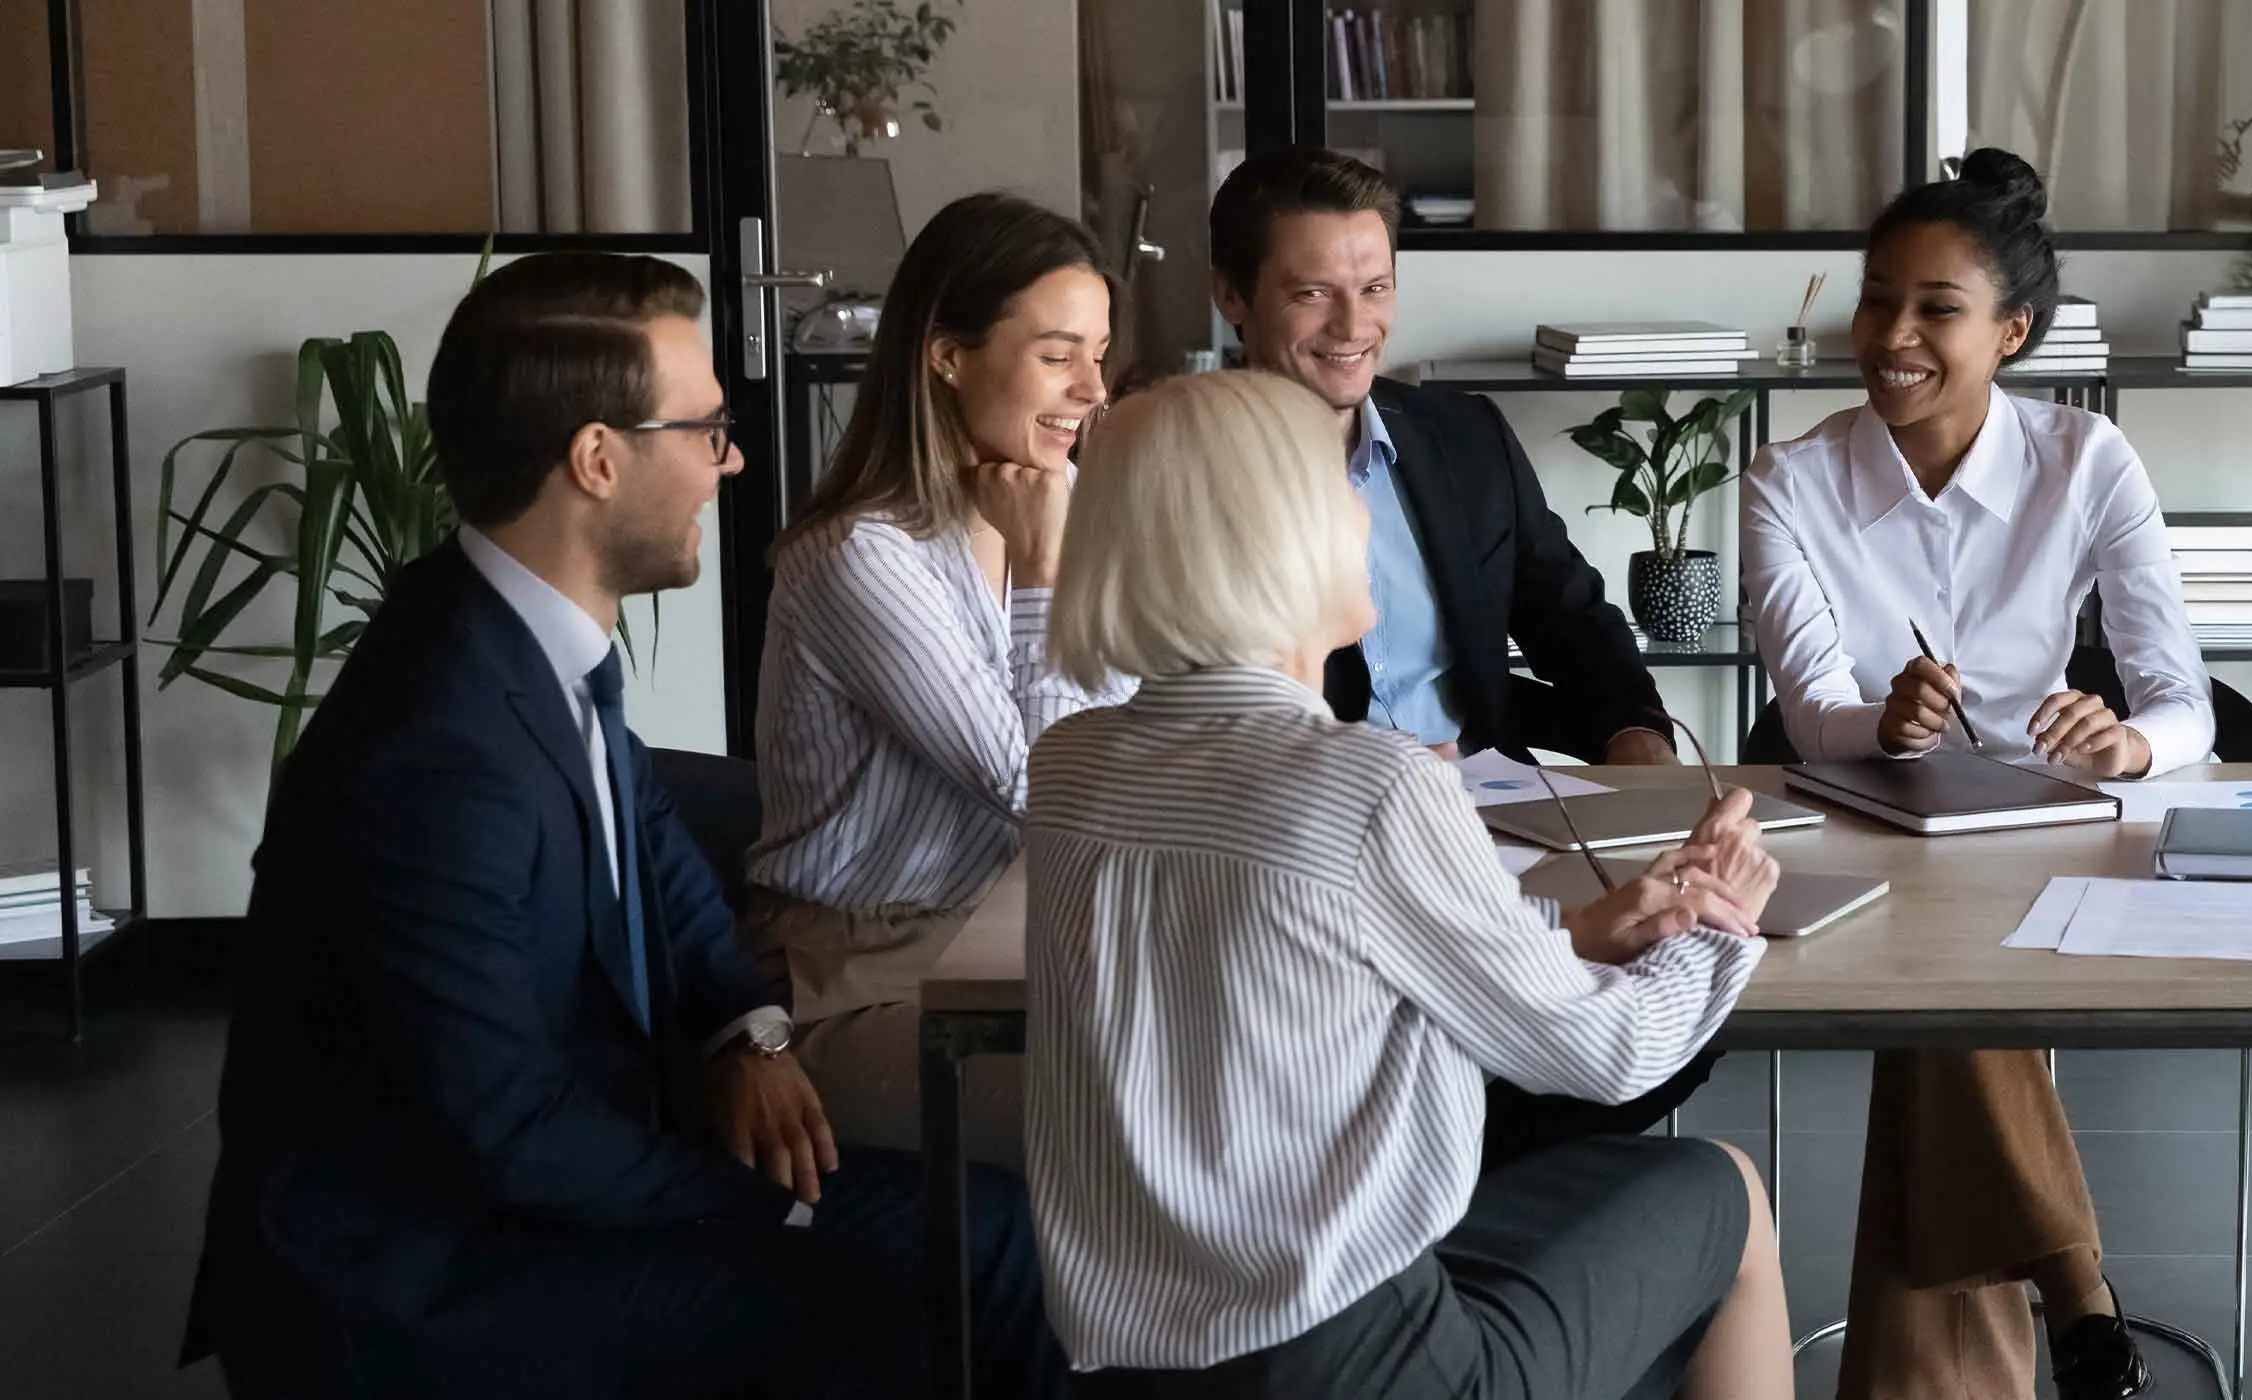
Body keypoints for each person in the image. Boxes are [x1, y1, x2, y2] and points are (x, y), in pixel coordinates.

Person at [184, 253, 1062, 1398]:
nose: (731, 458)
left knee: (985, 1233)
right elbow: (510, 1131)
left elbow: (656, 840)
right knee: (894, 1290)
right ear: (598, 459)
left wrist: (746, 1029)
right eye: (706, 428)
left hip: (564, 1164)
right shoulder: (437, 748)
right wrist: (776, 1203)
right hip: (425, 1272)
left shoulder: (516, 631)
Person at [1019, 368, 1794, 1400]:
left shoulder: (1069, 764)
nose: (1361, 508)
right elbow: (1607, 1054)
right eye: (1336, 485)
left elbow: (1302, 965)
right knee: (1723, 1187)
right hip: (1361, 1363)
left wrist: (1570, 936)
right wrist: (1719, 915)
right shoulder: (1372, 781)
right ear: (1275, 530)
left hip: (1135, 1364)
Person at [1739, 148, 2190, 1400]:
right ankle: (2077, 1284)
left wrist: (2132, 743)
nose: (1891, 334)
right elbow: (1808, 712)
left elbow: (2183, 700)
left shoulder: (2087, 460)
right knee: (1956, 976)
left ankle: (2049, 1300)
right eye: (1878, 298)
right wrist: (1885, 727)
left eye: (1936, 308)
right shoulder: (1790, 479)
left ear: (2013, 331)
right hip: (1866, 831)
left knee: (1948, 1001)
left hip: (2049, 836)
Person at [1205, 145, 1712, 1161]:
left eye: (1375, 287)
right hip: (1318, 864)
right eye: (1312, 293)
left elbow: (1569, 615)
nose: (1355, 327)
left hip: (1499, 831)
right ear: (1234, 300)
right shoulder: (1189, 471)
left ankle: (1446, 1171)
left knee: (1686, 987)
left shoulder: (1464, 437)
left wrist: (1633, 736)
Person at [745, 192, 1136, 1165]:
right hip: (865, 977)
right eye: (1058, 354)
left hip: (1036, 942)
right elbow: (1051, 790)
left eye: (1098, 352)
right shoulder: (861, 555)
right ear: (947, 352)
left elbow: (1136, 741)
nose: (1093, 388)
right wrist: (1045, 574)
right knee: (1150, 1095)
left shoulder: (1070, 500)